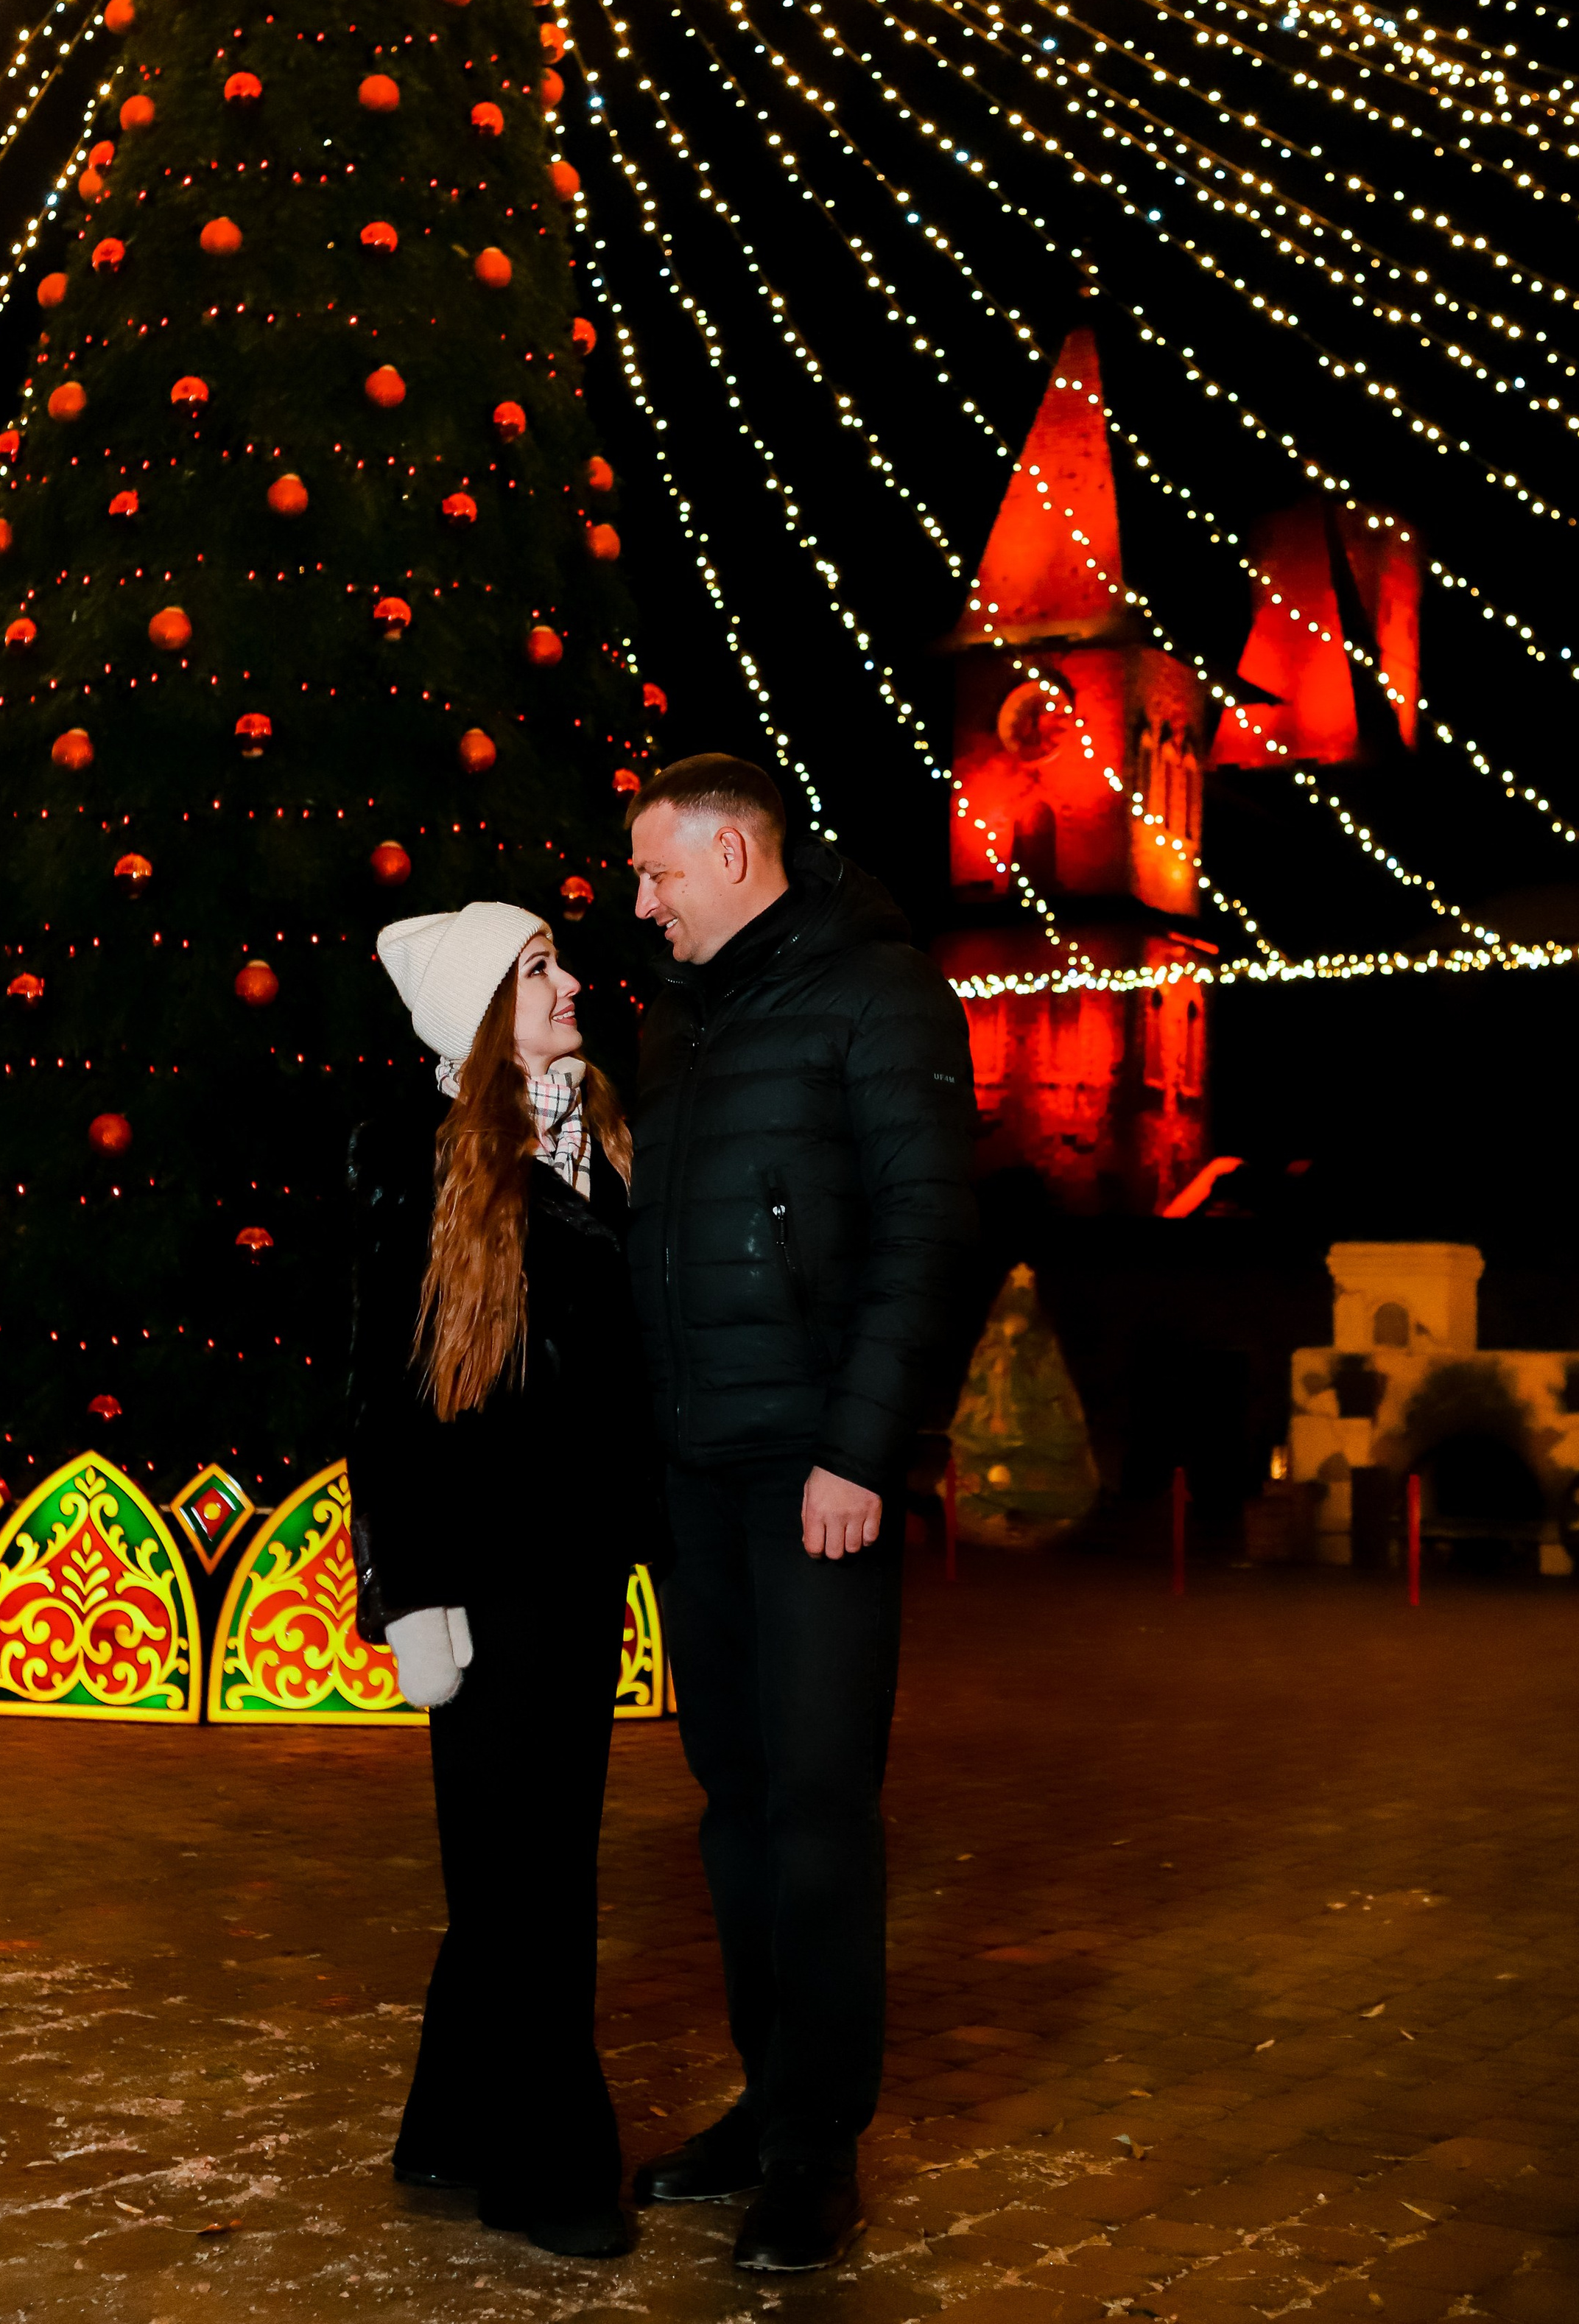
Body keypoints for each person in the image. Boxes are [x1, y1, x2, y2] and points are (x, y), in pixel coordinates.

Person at [623, 755, 977, 2272]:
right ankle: (766, 2103)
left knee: (821, 1812)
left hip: (812, 1480)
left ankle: (816, 2155)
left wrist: (858, 1450)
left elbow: (929, 1234)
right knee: (736, 1805)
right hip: (696, 1478)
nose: (637, 905)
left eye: (652, 875)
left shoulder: (879, 997)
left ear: (726, 853)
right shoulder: (681, 1023)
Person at [346, 900, 651, 2262]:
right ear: (479, 1009)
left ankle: (450, 2126)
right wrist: (406, 1593)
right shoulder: (415, 1162)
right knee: (527, 1876)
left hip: (582, 1567)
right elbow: (386, 1398)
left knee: (527, 1861)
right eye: (537, 971)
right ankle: (545, 2168)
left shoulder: (608, 1131)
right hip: (479, 1577)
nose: (570, 982)